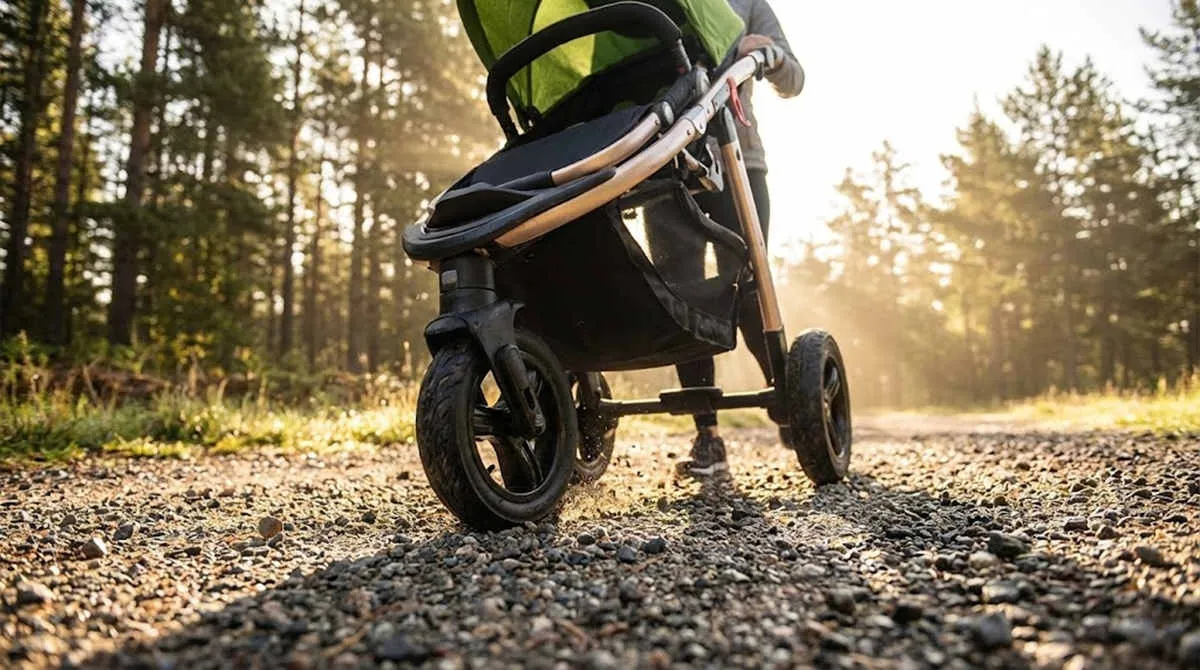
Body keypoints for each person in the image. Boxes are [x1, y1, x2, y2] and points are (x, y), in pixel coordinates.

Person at [677, 0, 804, 476]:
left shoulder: (748, 3)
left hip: (739, 161)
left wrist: (766, 51)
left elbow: (795, 78)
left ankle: (789, 398)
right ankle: (707, 435)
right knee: (680, 293)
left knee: (749, 285)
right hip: (669, 166)